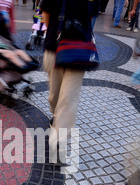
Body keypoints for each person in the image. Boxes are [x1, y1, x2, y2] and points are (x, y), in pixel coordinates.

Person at [40, 0, 95, 162]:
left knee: (68, 99)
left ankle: (58, 141)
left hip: (78, 52)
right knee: (54, 97)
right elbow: (46, 13)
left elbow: (91, 18)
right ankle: (56, 117)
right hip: (54, 48)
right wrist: (56, 35)